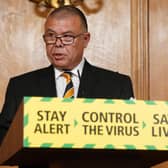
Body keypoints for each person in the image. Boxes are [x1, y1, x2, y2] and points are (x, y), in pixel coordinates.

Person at [0, 5, 144, 168]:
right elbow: (4, 144)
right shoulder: (21, 86)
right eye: (51, 36)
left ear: (85, 39)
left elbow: (131, 147)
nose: (58, 44)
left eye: (67, 37)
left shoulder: (117, 85)